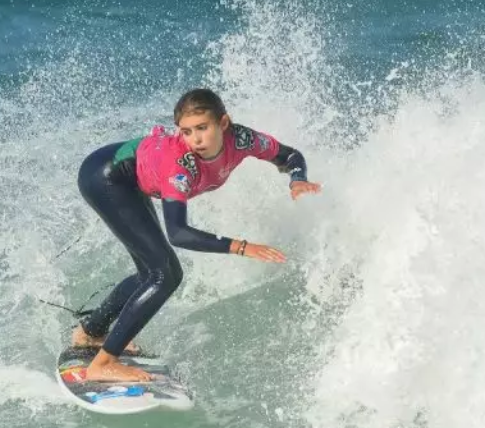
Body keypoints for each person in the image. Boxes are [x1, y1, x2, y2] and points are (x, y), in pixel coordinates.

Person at [71, 88, 321, 381]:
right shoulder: (181, 164)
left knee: (150, 273)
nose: (195, 140)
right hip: (105, 178)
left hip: (128, 178)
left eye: (202, 128)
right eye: (187, 132)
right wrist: (241, 246)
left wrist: (297, 180)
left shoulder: (243, 139)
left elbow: (289, 155)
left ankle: (90, 333)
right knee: (165, 275)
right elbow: (178, 233)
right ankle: (102, 365)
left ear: (223, 123)